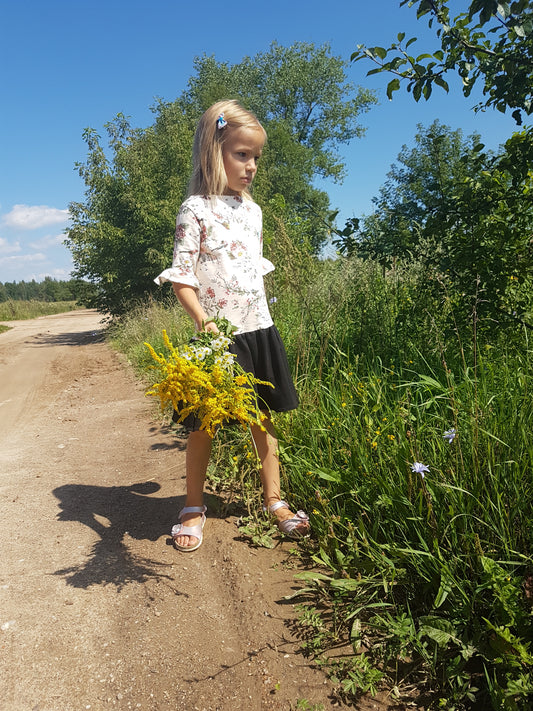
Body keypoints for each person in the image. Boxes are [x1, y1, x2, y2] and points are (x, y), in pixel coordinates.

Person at [154, 99, 310, 552]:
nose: (251, 166)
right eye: (242, 154)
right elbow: (182, 277)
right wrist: (203, 321)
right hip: (217, 339)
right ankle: (192, 505)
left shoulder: (253, 212)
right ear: (213, 150)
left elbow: (248, 272)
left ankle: (274, 500)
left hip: (259, 329)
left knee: (262, 418)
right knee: (202, 425)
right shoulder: (195, 209)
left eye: (256, 157)